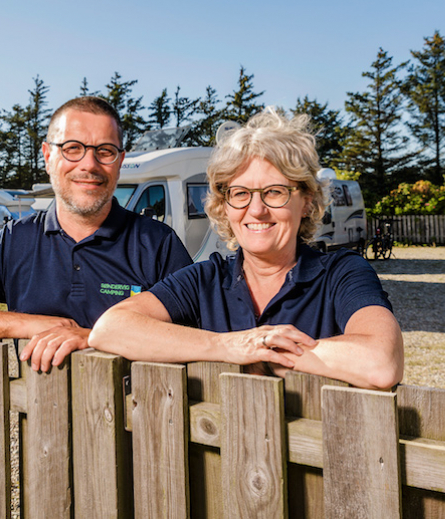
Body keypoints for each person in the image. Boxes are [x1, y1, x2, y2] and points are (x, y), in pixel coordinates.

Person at [89, 108, 403, 389]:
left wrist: (265, 348)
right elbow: (110, 329)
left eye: (275, 191)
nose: (257, 210)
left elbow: (381, 362)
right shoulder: (204, 280)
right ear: (224, 206)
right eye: (240, 193)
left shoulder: (342, 274)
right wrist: (232, 346)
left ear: (307, 201)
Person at [0, 96, 193, 372]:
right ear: (47, 156)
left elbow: (194, 336)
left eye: (105, 151)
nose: (89, 164)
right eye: (73, 148)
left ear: (119, 161)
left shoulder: (158, 244)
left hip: (134, 408)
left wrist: (94, 338)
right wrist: (31, 324)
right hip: (37, 407)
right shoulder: (14, 241)